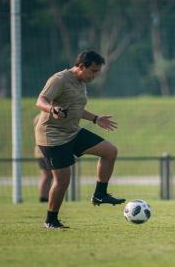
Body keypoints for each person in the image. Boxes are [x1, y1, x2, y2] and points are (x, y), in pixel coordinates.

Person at [35, 50, 125, 229]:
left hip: (72, 131)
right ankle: (51, 220)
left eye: (98, 71)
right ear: (81, 66)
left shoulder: (81, 82)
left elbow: (76, 108)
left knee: (110, 151)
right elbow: (40, 100)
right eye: (93, 71)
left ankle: (100, 194)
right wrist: (52, 109)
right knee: (63, 181)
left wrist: (95, 118)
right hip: (52, 136)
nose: (95, 75)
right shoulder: (59, 79)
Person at [34, 113, 52, 203]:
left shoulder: (39, 116)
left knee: (48, 176)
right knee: (46, 175)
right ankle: (43, 198)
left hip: (43, 151)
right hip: (43, 152)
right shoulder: (42, 117)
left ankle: (46, 197)